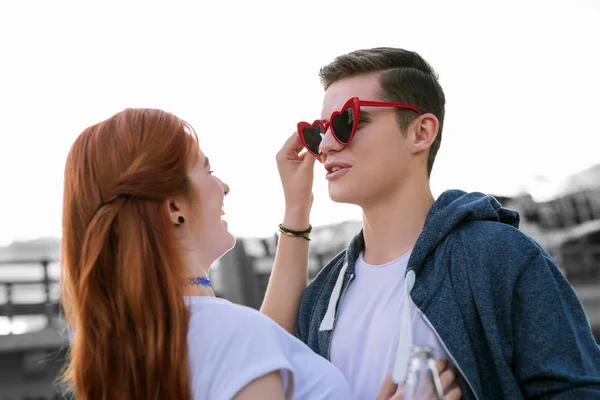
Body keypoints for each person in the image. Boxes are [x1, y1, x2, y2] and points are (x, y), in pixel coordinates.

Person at [261, 47, 600, 400]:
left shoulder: (498, 257)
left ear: (421, 132)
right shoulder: (323, 294)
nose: (326, 145)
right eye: (320, 130)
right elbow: (259, 374)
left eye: (348, 121)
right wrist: (296, 207)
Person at [58, 108, 458, 400]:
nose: (224, 186)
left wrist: (297, 210)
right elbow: (249, 343)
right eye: (208, 170)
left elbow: (266, 339)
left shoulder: (139, 343)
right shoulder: (231, 337)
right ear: (173, 208)